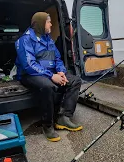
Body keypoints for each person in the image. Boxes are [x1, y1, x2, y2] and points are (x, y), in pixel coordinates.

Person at [15, 12, 83, 142]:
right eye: (48, 21)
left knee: (75, 81)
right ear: (40, 23)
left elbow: (57, 58)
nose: (51, 24)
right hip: (30, 74)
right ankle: (47, 125)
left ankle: (64, 117)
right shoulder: (25, 40)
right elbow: (29, 65)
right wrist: (51, 76)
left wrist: (61, 71)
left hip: (50, 72)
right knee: (48, 86)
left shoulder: (48, 39)